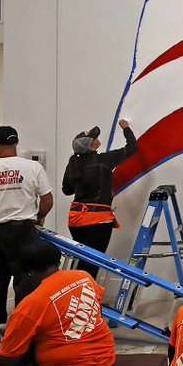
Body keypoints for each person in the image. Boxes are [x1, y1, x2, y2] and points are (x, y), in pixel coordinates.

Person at [0, 125, 54, 351]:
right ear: (15, 144)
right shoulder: (32, 167)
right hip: (23, 231)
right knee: (25, 284)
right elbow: (47, 200)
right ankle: (24, 335)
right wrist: (39, 218)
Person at [62, 119, 137, 278]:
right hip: (98, 220)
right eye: (94, 138)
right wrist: (126, 128)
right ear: (91, 146)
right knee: (92, 264)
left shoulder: (73, 164)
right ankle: (86, 297)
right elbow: (132, 147)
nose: (97, 139)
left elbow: (66, 190)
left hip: (76, 220)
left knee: (83, 260)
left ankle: (77, 293)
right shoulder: (104, 160)